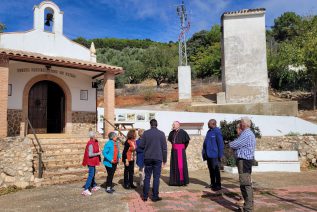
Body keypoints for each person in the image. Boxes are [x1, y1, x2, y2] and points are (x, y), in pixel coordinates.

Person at [229, 117, 256, 212]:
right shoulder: (246, 133)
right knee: (244, 183)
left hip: (244, 161)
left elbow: (235, 144)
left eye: (241, 123)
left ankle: (248, 208)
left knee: (245, 184)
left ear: (244, 124)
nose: (239, 125)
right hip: (244, 161)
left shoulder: (247, 133)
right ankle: (247, 206)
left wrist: (230, 144)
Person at [138, 119, 167, 202]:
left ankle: (145, 196)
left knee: (147, 177)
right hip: (158, 158)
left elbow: (141, 146)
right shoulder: (161, 134)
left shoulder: (146, 133)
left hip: (148, 157)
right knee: (156, 177)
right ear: (157, 124)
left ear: (150, 124)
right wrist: (164, 159)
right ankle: (154, 196)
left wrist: (140, 148)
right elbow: (164, 148)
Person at [202, 119, 224, 191]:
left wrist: (220, 155)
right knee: (211, 170)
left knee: (216, 170)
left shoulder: (217, 131)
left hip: (215, 155)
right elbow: (206, 143)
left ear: (213, 124)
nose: (208, 125)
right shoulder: (209, 131)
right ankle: (212, 183)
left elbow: (220, 144)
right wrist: (204, 152)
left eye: (209, 123)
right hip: (208, 154)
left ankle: (218, 185)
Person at [167, 121, 190, 186]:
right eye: (173, 124)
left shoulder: (183, 132)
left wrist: (182, 148)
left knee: (181, 166)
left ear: (178, 125)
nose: (173, 126)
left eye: (174, 125)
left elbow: (187, 142)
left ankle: (182, 181)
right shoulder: (172, 132)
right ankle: (174, 181)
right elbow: (171, 141)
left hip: (180, 151)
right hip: (174, 151)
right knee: (174, 165)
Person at [81, 131, 101, 196]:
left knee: (93, 173)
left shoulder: (94, 142)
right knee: (91, 175)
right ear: (93, 137)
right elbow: (90, 154)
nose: (96, 136)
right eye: (96, 135)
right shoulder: (90, 144)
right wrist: (98, 153)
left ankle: (94, 185)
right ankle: (86, 189)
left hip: (93, 161)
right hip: (90, 161)